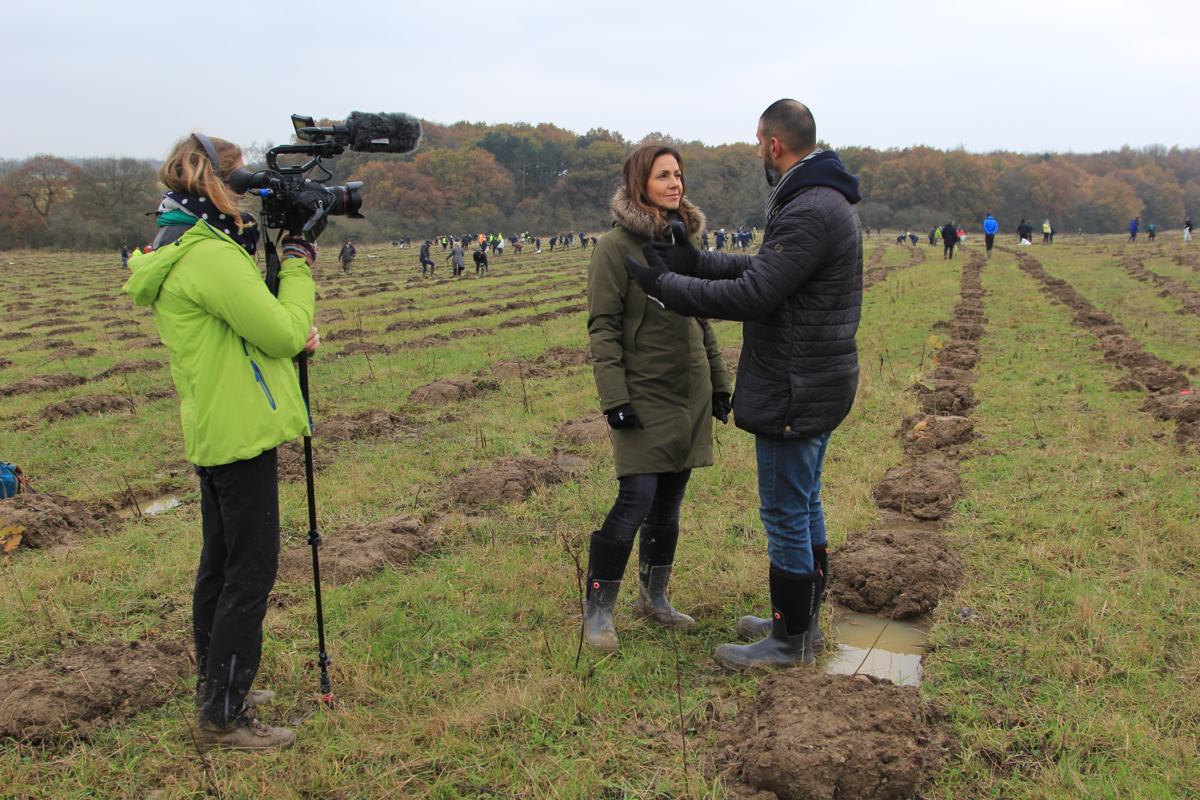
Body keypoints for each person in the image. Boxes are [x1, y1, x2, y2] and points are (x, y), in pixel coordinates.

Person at [625, 99, 862, 671]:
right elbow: (762, 269)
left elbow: (756, 294)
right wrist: (695, 264)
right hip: (815, 380)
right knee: (805, 502)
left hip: (794, 386)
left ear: (773, 144)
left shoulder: (807, 208)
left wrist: (667, 287)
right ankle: (799, 621)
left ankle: (790, 640)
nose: (759, 153)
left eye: (759, 144)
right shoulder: (822, 200)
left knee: (785, 510)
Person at [123, 133, 320, 751]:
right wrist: (298, 260)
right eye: (243, 183)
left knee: (220, 564)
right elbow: (282, 330)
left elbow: (248, 331)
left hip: (213, 422)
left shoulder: (175, 244)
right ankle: (224, 718)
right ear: (217, 183)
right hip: (241, 428)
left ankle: (217, 684)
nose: (249, 197)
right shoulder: (209, 256)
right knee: (249, 573)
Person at [584, 143, 732, 652]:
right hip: (642, 391)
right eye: (663, 175)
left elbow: (700, 316)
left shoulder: (686, 240)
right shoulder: (613, 248)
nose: (675, 184)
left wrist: (717, 382)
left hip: (687, 389)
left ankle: (656, 598)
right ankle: (598, 613)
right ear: (639, 183)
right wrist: (613, 397)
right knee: (636, 498)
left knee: (669, 502)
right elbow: (603, 328)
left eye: (679, 175)